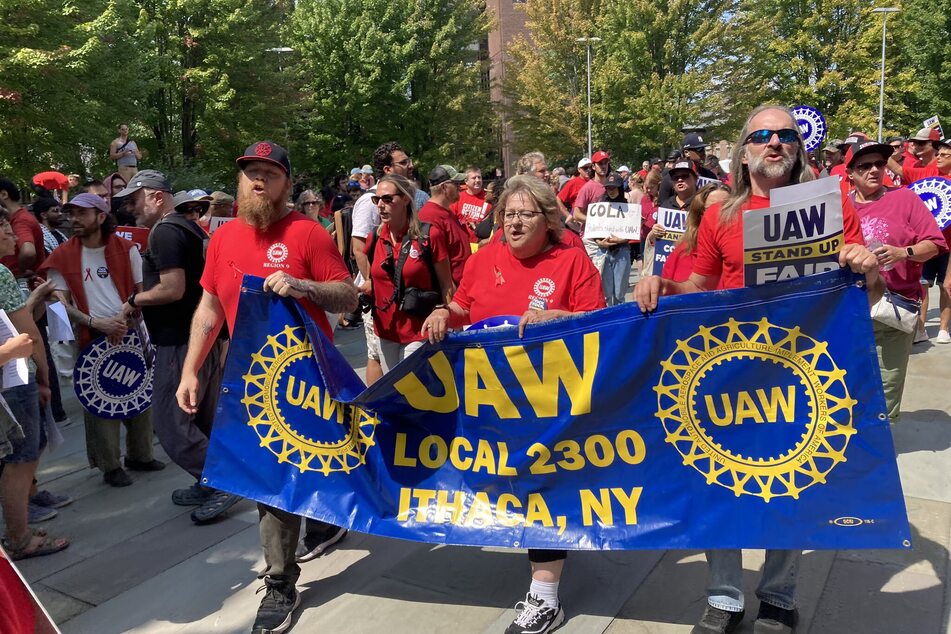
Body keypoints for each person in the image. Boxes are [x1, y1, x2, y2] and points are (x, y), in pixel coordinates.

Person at [634, 105, 879, 634]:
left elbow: (863, 295)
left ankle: (778, 597)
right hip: (726, 372)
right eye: (762, 135)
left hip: (802, 372)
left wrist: (867, 267)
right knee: (715, 484)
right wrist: (661, 285)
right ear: (743, 152)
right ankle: (723, 599)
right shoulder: (721, 213)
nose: (774, 143)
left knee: (791, 485)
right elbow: (698, 285)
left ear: (800, 148)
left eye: (785, 135)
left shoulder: (831, 205)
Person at [176, 141, 357, 634]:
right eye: (250, 173)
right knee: (270, 478)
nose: (258, 181)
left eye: (269, 174)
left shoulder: (308, 233)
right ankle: (280, 580)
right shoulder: (223, 238)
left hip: (310, 378)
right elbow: (211, 308)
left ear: (286, 185)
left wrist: (305, 287)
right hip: (250, 381)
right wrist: (191, 369)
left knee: (320, 463)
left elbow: (347, 293)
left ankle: (323, 520)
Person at [421, 175, 605, 634]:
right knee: (509, 487)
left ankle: (544, 599)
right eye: (507, 214)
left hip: (550, 403)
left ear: (548, 219)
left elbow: (602, 319)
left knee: (544, 491)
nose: (515, 222)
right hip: (490, 400)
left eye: (526, 214)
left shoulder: (572, 261)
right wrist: (446, 312)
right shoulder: (485, 260)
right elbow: (464, 304)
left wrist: (561, 318)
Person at [118, 173, 239, 523]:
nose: (129, 206)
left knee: (170, 422)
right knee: (200, 417)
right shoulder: (189, 229)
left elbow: (172, 288)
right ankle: (210, 480)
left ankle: (222, 482)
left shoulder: (166, 231)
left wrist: (133, 300)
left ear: (156, 197)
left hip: (182, 341)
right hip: (203, 335)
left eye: (134, 198)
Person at [39, 194, 163, 487]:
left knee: (140, 396)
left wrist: (123, 318)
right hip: (91, 337)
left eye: (82, 214)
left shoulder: (127, 249)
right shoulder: (62, 257)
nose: (74, 220)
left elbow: (140, 290)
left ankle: (140, 455)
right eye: (72, 213)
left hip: (128, 330)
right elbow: (59, 304)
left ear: (101, 216)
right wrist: (96, 323)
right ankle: (110, 465)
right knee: (100, 404)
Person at [847, 140, 947, 422]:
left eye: (879, 164)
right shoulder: (838, 207)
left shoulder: (905, 199)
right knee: (845, 383)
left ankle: (882, 449)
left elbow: (935, 244)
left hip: (893, 311)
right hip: (849, 311)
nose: (874, 170)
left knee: (886, 388)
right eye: (865, 166)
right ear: (851, 174)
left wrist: (904, 252)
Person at [0, 212, 68, 561]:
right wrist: (43, 374)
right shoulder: (1, 274)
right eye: (7, 230)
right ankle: (19, 536)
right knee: (22, 457)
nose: (14, 237)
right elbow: (27, 332)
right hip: (13, 377)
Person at [351, 142, 429, 386]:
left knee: (412, 384)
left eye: (409, 160)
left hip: (416, 318)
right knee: (379, 363)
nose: (410, 165)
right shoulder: (368, 203)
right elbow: (359, 249)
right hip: (383, 312)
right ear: (387, 169)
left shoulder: (421, 200)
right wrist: (373, 284)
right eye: (403, 162)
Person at [362, 174, 454, 372]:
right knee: (395, 393)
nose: (380, 205)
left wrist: (447, 318)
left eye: (387, 199)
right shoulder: (374, 239)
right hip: (385, 332)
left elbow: (446, 284)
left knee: (414, 390)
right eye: (376, 200)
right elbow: (373, 280)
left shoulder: (429, 235)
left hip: (420, 331)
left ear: (405, 199)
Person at [661, 182, 732, 283]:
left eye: (727, 209)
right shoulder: (681, 253)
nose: (720, 215)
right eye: (711, 209)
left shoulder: (744, 256)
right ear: (699, 215)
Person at [418, 165, 471, 285]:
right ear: (444, 187)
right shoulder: (429, 216)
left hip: (464, 287)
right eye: (456, 183)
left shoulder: (448, 211)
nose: (460, 187)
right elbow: (439, 266)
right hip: (452, 293)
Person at [592, 172, 632, 305]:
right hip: (603, 251)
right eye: (609, 188)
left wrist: (621, 240)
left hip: (621, 250)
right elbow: (594, 229)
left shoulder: (628, 207)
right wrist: (599, 242)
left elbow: (631, 232)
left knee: (620, 294)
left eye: (614, 188)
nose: (611, 191)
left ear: (620, 188)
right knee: (605, 293)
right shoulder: (600, 206)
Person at [0, 178, 46, 281]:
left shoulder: (20, 221)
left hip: (26, 288)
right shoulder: (17, 218)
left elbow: (28, 252)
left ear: (4, 194)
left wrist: (19, 272)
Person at [658, 132, 717, 201]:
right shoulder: (671, 178)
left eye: (703, 150)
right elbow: (662, 204)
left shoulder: (710, 176)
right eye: (699, 150)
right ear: (686, 153)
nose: (703, 153)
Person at [450, 166, 492, 245]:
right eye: (474, 178)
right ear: (466, 181)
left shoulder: (488, 197)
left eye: (479, 177)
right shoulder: (458, 197)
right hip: (463, 244)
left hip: (483, 244)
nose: (477, 180)